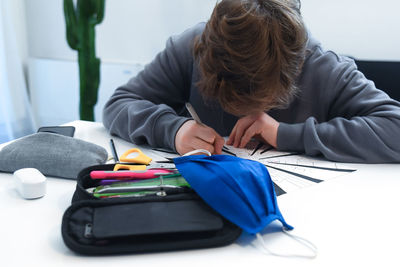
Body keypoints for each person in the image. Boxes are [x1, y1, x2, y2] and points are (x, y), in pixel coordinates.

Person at [103, 0, 400, 163]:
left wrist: (285, 134)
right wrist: (175, 129)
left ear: (294, 73)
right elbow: (118, 104)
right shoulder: (191, 46)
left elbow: (395, 128)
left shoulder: (322, 67)